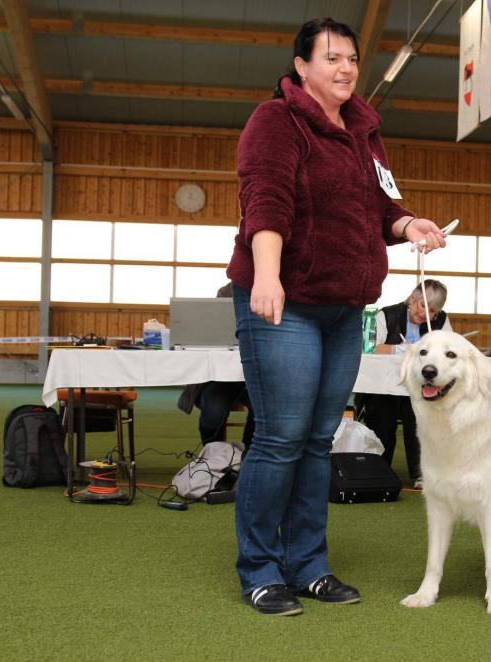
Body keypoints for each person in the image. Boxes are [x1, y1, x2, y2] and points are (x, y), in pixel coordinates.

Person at [225, 17, 448, 617]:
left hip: (345, 309)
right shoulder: (276, 122)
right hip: (287, 303)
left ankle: (309, 564)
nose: (346, 68)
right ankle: (261, 569)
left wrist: (408, 225)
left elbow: (378, 205)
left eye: (351, 58)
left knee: (319, 441)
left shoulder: (363, 132)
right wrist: (267, 275)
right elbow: (264, 200)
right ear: (301, 66)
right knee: (280, 438)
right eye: (332, 58)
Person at [357, 280, 452, 489]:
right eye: (422, 306)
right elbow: (370, 347)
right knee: (382, 416)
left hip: (421, 386)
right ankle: (380, 469)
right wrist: (401, 350)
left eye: (434, 312)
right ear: (412, 299)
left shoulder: (442, 322)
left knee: (419, 416)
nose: (426, 314)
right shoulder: (386, 315)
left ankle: (421, 473)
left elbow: (450, 350)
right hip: (384, 386)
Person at [177, 282, 255, 453]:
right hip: (224, 376)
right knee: (212, 413)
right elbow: (217, 332)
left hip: (260, 375)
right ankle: (214, 457)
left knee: (263, 412)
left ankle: (249, 456)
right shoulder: (228, 291)